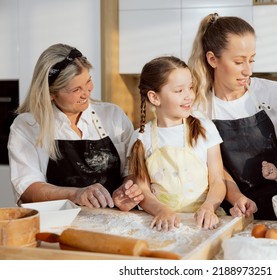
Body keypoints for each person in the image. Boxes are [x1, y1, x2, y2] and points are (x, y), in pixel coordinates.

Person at [188, 13, 277, 220]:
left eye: (252, 60)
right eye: (239, 62)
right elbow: (214, 168)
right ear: (212, 59)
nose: (248, 70)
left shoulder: (275, 94)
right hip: (230, 212)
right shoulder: (198, 108)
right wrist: (237, 198)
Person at [8, 43, 143, 210]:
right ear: (51, 94)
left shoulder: (113, 116)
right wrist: (75, 194)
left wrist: (128, 191)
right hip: (58, 224)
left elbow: (131, 170)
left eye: (88, 81)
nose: (87, 93)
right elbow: (28, 188)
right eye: (76, 89)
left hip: (114, 223)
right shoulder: (28, 126)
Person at [129, 56, 226, 231]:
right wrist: (161, 210)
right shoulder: (141, 138)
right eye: (179, 90)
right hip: (163, 224)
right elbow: (143, 191)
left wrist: (209, 206)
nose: (189, 95)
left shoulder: (205, 128)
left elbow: (218, 180)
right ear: (155, 97)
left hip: (204, 222)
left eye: (190, 87)